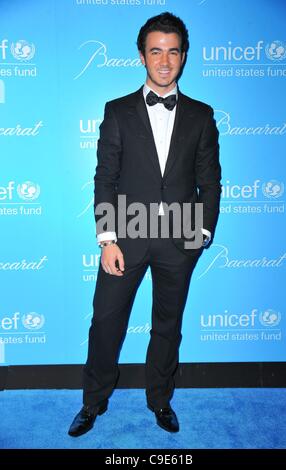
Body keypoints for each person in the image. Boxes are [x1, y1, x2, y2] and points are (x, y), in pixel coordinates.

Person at [68, 11, 221, 437]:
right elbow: (105, 178)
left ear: (184, 56)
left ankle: (160, 400)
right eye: (156, 51)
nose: (165, 60)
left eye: (173, 51)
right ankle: (93, 402)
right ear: (142, 56)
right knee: (105, 323)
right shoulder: (117, 111)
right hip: (126, 236)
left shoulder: (202, 115)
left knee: (167, 325)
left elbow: (210, 181)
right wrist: (106, 238)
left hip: (181, 235)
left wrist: (201, 233)